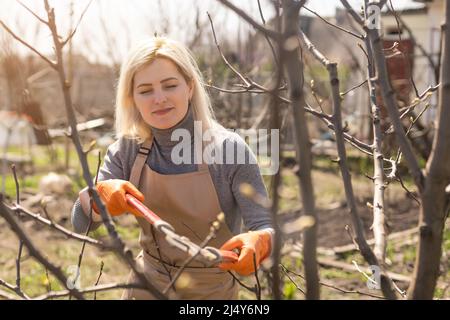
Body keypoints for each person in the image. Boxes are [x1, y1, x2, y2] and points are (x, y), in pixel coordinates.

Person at [71, 37, 274, 300]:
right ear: (132, 98)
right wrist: (99, 200)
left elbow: (265, 224)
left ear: (189, 87)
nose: (159, 99)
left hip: (211, 292)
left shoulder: (229, 150)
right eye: (145, 90)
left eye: (170, 86)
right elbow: (79, 223)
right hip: (146, 287)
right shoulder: (127, 150)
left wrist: (262, 241)